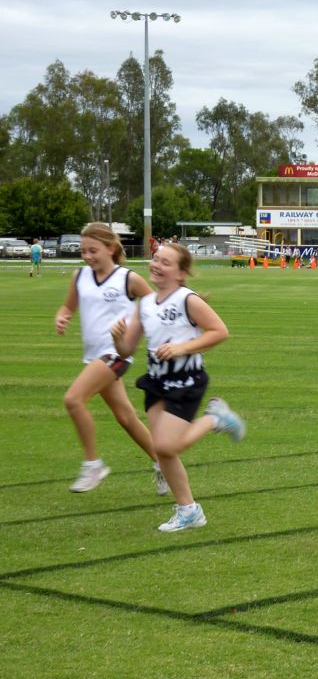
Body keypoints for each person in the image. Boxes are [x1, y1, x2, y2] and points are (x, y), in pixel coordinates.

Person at [111, 242, 246, 533]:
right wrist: (118, 338)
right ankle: (188, 510)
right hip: (157, 382)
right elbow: (127, 349)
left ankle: (215, 419)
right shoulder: (145, 304)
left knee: (166, 446)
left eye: (166, 262)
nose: (156, 265)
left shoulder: (188, 299)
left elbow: (219, 331)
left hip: (186, 381)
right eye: (155, 259)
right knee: (163, 451)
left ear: (181, 273)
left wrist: (182, 348)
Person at [55, 222, 165, 494]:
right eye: (83, 251)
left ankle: (93, 465)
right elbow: (68, 306)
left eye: (93, 250)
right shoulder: (79, 276)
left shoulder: (128, 279)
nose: (87, 256)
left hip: (116, 354)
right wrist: (62, 316)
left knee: (73, 399)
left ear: (111, 248)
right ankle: (164, 463)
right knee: (125, 417)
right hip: (93, 357)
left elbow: (157, 307)